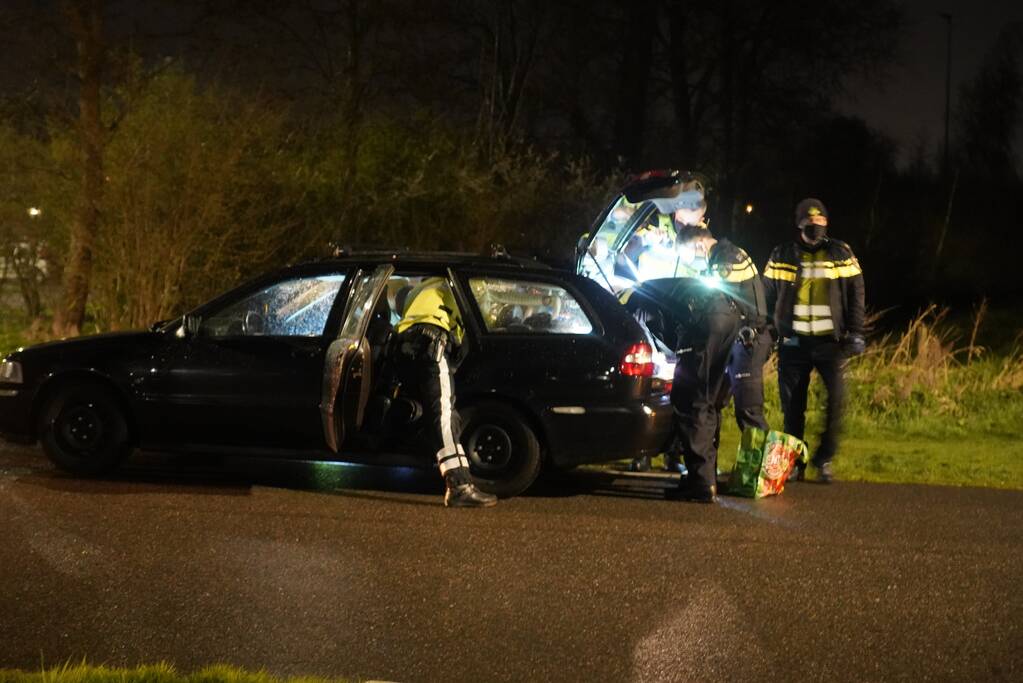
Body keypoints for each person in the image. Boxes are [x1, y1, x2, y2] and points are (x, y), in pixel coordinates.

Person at [763, 198, 866, 483]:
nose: (815, 227)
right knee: (792, 409)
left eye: (820, 223)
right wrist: (765, 330)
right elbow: (764, 295)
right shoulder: (781, 253)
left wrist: (857, 332)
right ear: (799, 224)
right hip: (793, 343)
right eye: (810, 223)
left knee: (836, 404)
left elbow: (857, 293)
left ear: (827, 224)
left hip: (830, 344)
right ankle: (796, 462)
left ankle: (825, 459)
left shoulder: (840, 252)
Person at [394, 277, 497, 507]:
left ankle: (455, 476)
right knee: (444, 415)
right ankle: (459, 486)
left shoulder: (421, 289)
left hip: (407, 347)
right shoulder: (458, 283)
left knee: (446, 417)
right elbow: (479, 320)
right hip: (432, 343)